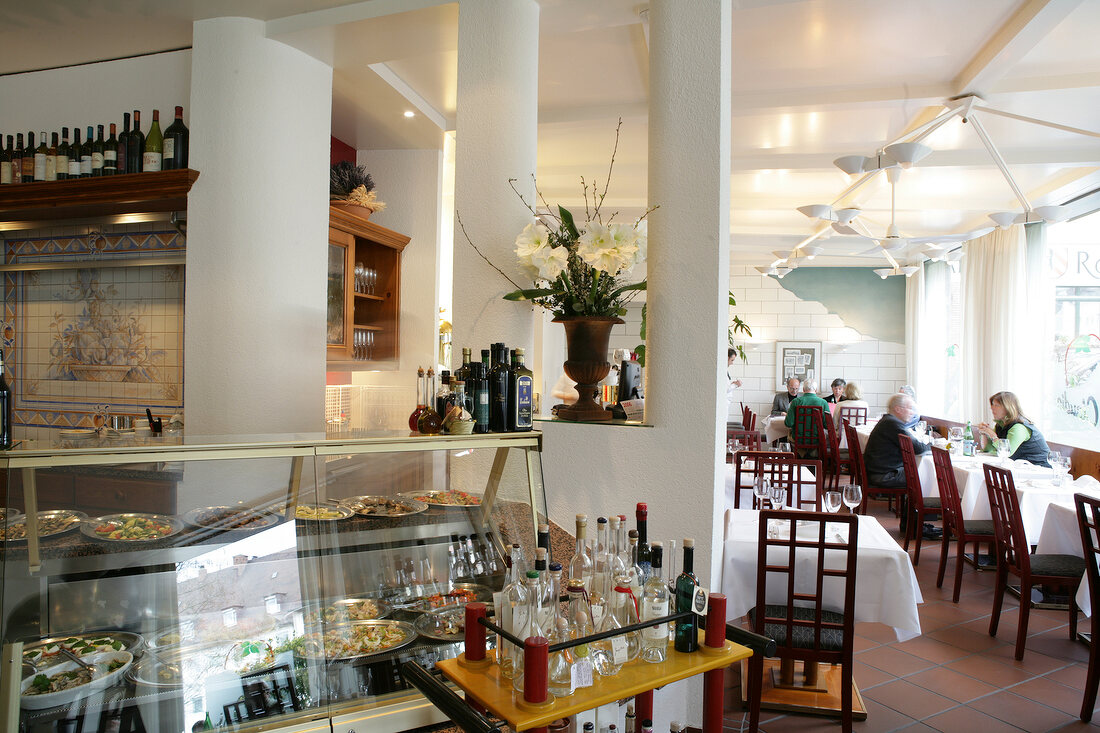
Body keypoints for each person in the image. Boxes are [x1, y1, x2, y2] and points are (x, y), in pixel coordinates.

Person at [863, 393, 929, 488]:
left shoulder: (888, 421)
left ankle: (910, 502)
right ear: (898, 409)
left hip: (876, 471)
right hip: (882, 476)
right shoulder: (893, 424)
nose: (913, 413)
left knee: (918, 472)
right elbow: (918, 448)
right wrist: (934, 445)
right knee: (922, 476)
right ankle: (920, 503)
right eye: (910, 408)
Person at [977, 391, 1052, 467]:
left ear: (1008, 408)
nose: (992, 408)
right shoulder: (1000, 425)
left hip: (1039, 469)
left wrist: (993, 435)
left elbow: (1007, 452)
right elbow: (988, 449)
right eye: (992, 405)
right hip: (1021, 467)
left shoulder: (1019, 427)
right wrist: (984, 432)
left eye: (996, 405)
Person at [784, 379, 830, 455]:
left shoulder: (796, 402)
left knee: (789, 435)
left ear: (803, 389)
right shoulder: (823, 402)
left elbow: (788, 423)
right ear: (816, 390)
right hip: (817, 439)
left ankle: (797, 458)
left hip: (798, 439)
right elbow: (827, 425)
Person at [726, 347, 743, 421]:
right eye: (732, 360)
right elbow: (725, 389)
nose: (732, 363)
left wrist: (732, 383)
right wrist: (736, 385)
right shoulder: (722, 371)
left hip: (727, 402)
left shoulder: (725, 370)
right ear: (727, 358)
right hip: (724, 402)